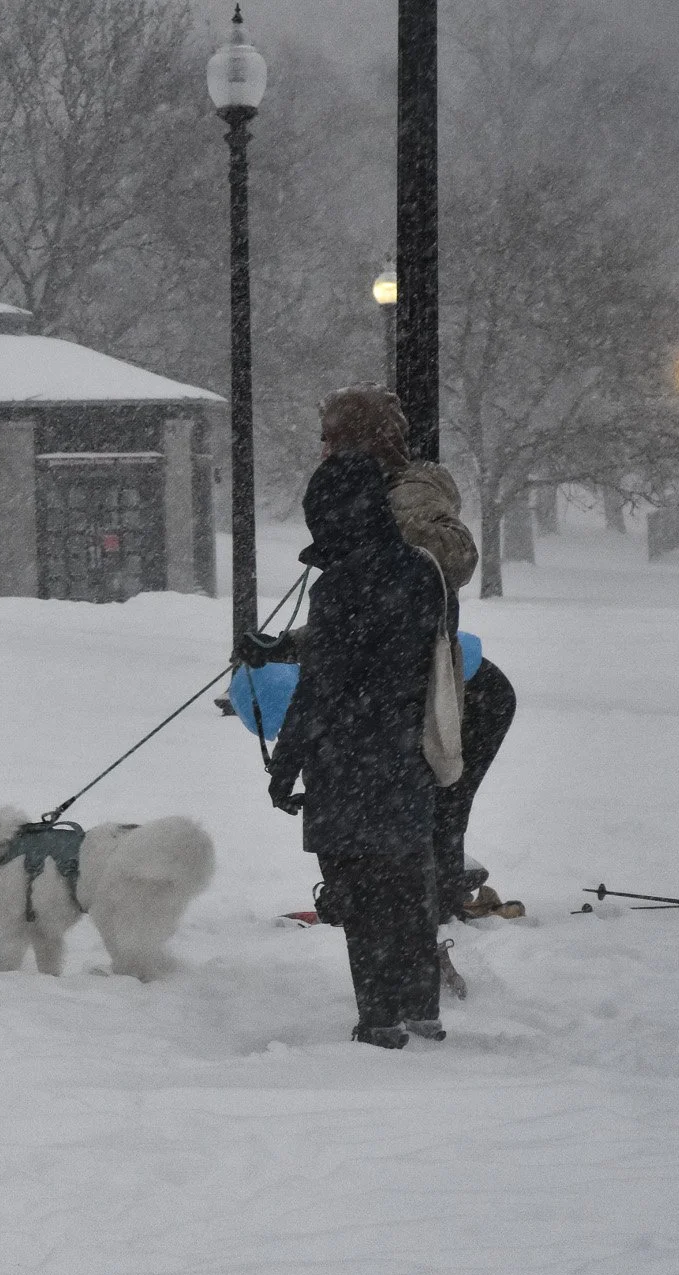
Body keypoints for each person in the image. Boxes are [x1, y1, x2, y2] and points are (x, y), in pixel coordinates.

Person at [244, 387, 517, 927]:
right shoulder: (367, 495)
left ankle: (416, 924)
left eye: (333, 438)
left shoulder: (406, 497)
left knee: (428, 813)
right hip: (419, 694)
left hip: (431, 698)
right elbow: (363, 624)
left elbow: (439, 571)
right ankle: (407, 918)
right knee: (421, 812)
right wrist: (290, 645)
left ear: (366, 440)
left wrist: (388, 537)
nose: (323, 449)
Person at [259, 389, 444, 1048]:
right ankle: (422, 1003)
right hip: (405, 758)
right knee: (407, 887)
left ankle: (380, 1018)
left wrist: (284, 768)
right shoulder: (418, 574)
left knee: (362, 897)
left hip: (348, 765)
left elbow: (320, 690)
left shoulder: (341, 589)